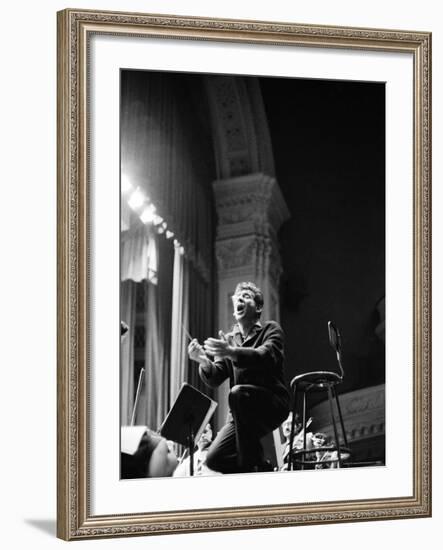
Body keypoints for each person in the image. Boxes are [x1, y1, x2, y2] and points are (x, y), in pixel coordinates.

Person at [188, 281, 290, 474]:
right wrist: (203, 361)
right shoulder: (229, 340)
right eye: (238, 297)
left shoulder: (271, 329)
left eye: (247, 296)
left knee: (237, 394)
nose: (240, 299)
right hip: (240, 410)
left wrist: (232, 351)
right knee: (214, 459)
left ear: (258, 307)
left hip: (271, 404)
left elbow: (265, 355)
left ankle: (252, 467)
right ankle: (259, 467)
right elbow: (216, 377)